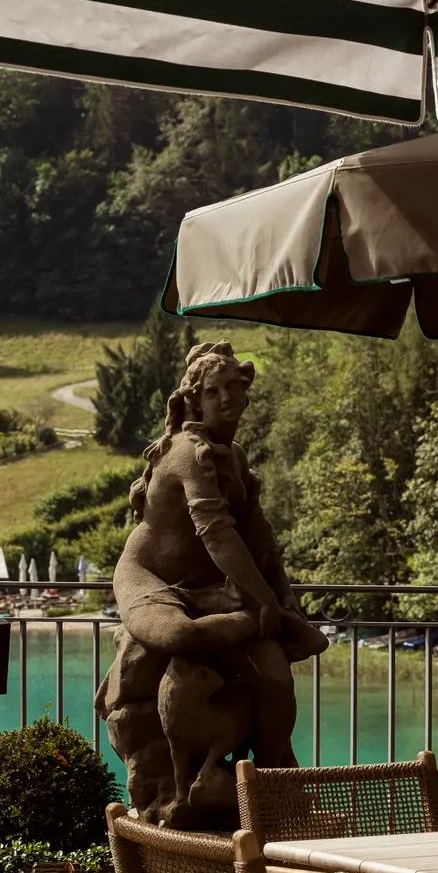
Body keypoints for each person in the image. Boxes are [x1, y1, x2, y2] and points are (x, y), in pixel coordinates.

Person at [99, 341, 326, 821]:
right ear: (194, 401)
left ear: (245, 393)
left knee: (276, 674)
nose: (226, 398)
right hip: (152, 579)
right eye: (212, 391)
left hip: (214, 591)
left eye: (233, 387)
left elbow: (260, 538)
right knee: (179, 637)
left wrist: (283, 598)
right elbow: (218, 533)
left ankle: (271, 783)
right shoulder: (187, 453)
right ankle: (178, 785)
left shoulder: (235, 457)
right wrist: (263, 605)